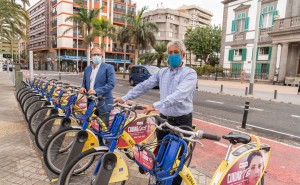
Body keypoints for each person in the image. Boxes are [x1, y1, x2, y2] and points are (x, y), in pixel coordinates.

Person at [114, 40, 197, 185]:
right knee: (161, 153)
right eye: (170, 52)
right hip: (163, 120)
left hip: (182, 121)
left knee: (177, 159)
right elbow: (144, 85)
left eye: (176, 52)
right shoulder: (162, 72)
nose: (172, 56)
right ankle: (157, 180)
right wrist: (124, 97)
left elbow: (179, 95)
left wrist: (155, 105)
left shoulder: (189, 74)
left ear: (183, 55)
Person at [79, 47, 115, 125]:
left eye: (98, 54)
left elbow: (111, 84)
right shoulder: (87, 69)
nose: (96, 56)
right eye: (94, 54)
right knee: (91, 126)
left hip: (104, 103)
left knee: (102, 128)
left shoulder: (108, 68)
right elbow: (84, 82)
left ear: (102, 56)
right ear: (90, 56)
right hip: (91, 102)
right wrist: (82, 87)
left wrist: (96, 91)